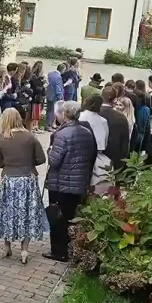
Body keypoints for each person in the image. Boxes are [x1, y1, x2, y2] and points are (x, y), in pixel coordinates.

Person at [0, 108, 49, 264]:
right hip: (27, 179)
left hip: (9, 179)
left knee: (7, 212)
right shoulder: (30, 137)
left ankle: (7, 246)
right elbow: (41, 159)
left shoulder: (1, 139)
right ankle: (24, 249)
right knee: (27, 213)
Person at [44, 101, 97, 262]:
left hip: (61, 183)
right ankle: (69, 248)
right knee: (70, 216)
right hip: (78, 182)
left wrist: (49, 150)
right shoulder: (87, 132)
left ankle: (59, 251)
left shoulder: (62, 135)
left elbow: (54, 161)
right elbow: (92, 155)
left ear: (65, 114)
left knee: (57, 217)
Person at [79, 96, 112, 195]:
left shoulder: (80, 116)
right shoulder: (103, 121)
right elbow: (105, 141)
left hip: (81, 153)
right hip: (98, 155)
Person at [100, 87, 131, 172]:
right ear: (115, 100)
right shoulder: (121, 118)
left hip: (94, 157)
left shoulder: (92, 114)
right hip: (113, 159)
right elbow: (125, 144)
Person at [131, 80, 152, 155]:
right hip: (142, 133)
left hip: (137, 132)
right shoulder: (146, 109)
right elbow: (147, 123)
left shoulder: (134, 108)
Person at [46, 63, 65, 130]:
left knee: (48, 110)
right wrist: (60, 96)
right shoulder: (58, 77)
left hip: (49, 94)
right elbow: (58, 87)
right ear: (62, 70)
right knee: (53, 111)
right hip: (55, 96)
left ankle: (48, 124)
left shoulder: (50, 74)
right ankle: (49, 125)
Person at [29, 61, 47, 131]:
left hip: (38, 96)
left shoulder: (35, 77)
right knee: (35, 112)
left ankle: (35, 126)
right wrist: (43, 86)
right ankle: (33, 126)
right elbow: (36, 88)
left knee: (37, 111)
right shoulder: (35, 77)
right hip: (36, 96)